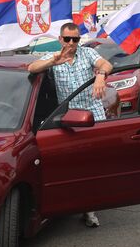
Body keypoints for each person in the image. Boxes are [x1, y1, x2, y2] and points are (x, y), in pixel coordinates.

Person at [28, 22, 113, 228]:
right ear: (60, 40)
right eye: (68, 39)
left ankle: (90, 208)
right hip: (68, 120)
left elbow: (106, 64)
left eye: (75, 39)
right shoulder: (55, 57)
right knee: (74, 164)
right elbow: (32, 68)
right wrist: (52, 62)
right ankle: (71, 202)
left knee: (94, 164)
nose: (72, 43)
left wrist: (101, 75)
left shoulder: (87, 54)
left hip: (93, 115)